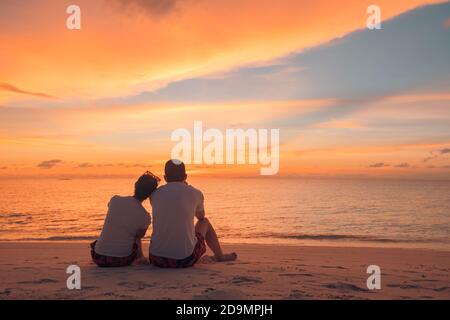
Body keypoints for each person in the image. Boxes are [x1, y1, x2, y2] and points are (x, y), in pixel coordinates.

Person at [149, 159, 237, 268]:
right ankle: (220, 256)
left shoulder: (154, 194)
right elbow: (201, 216)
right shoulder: (195, 193)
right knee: (205, 222)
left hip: (157, 259)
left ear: (165, 177)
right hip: (185, 259)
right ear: (185, 176)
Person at [91, 172, 160, 267]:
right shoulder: (145, 217)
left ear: (135, 185)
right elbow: (138, 236)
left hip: (98, 257)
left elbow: (113, 210)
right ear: (149, 195)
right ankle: (140, 257)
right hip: (121, 260)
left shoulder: (115, 200)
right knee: (136, 235)